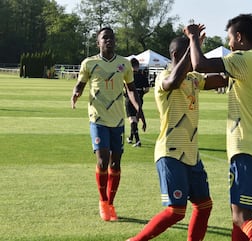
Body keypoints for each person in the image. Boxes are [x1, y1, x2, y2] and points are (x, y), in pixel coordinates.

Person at [184, 14, 252, 241]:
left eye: (230, 39)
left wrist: (194, 38)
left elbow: (201, 64)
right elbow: (216, 79)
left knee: (241, 217)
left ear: (239, 37)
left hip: (248, 147)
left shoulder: (243, 59)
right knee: (241, 214)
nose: (229, 44)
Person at [126, 36, 227, 241]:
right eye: (189, 54)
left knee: (204, 205)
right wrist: (192, 42)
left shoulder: (193, 78)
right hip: (170, 152)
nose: (193, 60)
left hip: (191, 154)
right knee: (176, 211)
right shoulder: (164, 76)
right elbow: (173, 82)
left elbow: (218, 80)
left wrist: (238, 70)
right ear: (176, 55)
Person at [70, 27, 146, 222]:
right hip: (97, 118)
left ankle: (111, 202)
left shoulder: (124, 64)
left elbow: (131, 89)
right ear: (98, 43)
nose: (109, 41)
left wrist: (139, 108)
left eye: (111, 38)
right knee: (103, 160)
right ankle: (103, 201)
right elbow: (81, 83)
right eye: (105, 38)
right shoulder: (90, 63)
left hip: (118, 120)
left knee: (116, 163)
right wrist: (75, 94)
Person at [125, 58, 150, 147]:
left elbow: (124, 88)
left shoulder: (128, 75)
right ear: (138, 66)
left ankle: (137, 140)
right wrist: (140, 93)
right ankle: (131, 137)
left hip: (129, 99)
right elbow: (147, 89)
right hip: (139, 99)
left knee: (132, 119)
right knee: (136, 118)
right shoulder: (143, 76)